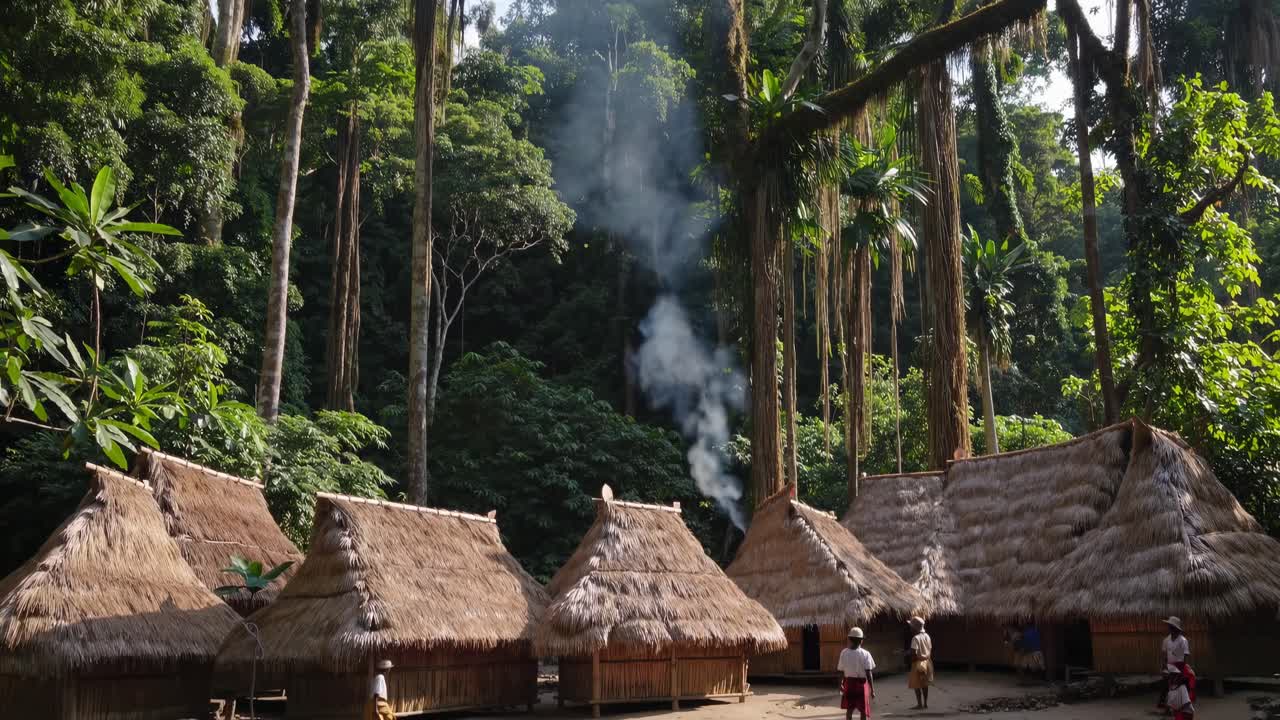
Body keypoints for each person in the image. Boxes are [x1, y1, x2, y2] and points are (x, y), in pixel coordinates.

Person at [838, 627, 876, 720]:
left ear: (849, 639)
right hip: (861, 685)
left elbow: (840, 671)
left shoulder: (844, 653)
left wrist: (840, 684)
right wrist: (872, 689)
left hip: (849, 684)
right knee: (863, 710)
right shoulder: (866, 654)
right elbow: (869, 673)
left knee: (849, 709)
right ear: (861, 641)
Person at [1158, 617, 1191, 708]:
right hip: (1169, 666)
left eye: (1172, 627)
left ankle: (1184, 703)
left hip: (1179, 666)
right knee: (1166, 685)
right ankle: (1164, 703)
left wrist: (1183, 670)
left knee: (1181, 686)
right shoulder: (1166, 640)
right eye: (1169, 627)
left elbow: (1185, 656)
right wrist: (1164, 667)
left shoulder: (1183, 641)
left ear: (1176, 628)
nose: (1170, 628)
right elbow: (1164, 655)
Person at [906, 616, 933, 710]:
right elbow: (929, 649)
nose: (910, 628)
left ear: (914, 628)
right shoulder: (927, 636)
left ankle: (919, 704)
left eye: (911, 626)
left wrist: (909, 657)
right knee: (925, 684)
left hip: (917, 663)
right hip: (927, 662)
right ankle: (925, 703)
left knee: (916, 685)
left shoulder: (915, 638)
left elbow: (913, 652)